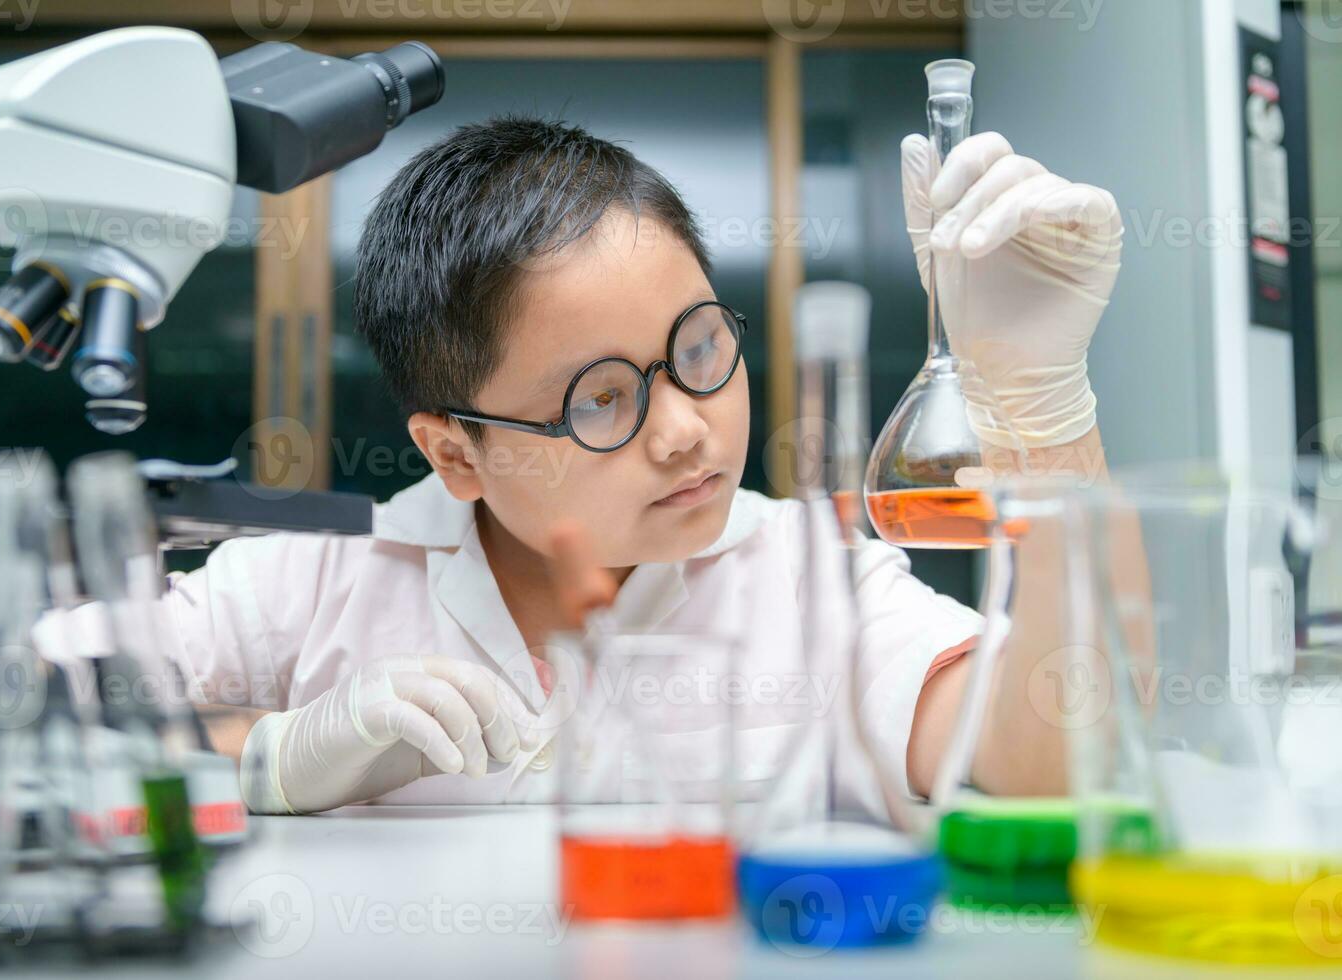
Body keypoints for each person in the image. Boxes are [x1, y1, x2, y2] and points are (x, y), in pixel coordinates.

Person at [157, 116, 1122, 814]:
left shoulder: (806, 575)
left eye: (699, 350)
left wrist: (1041, 399)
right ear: (456, 453)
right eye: (600, 400)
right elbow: (23, 716)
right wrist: (268, 760)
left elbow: (1053, 755)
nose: (685, 431)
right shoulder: (323, 574)